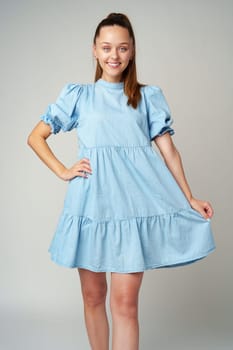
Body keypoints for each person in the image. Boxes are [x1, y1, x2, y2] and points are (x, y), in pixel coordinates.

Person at [27, 12, 215, 350]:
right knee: (93, 296)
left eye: (122, 48)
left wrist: (189, 198)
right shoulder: (79, 96)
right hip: (91, 206)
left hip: (132, 208)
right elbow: (36, 136)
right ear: (95, 51)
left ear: (132, 52)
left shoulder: (147, 97)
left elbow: (169, 152)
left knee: (125, 305)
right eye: (107, 47)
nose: (114, 55)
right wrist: (62, 170)